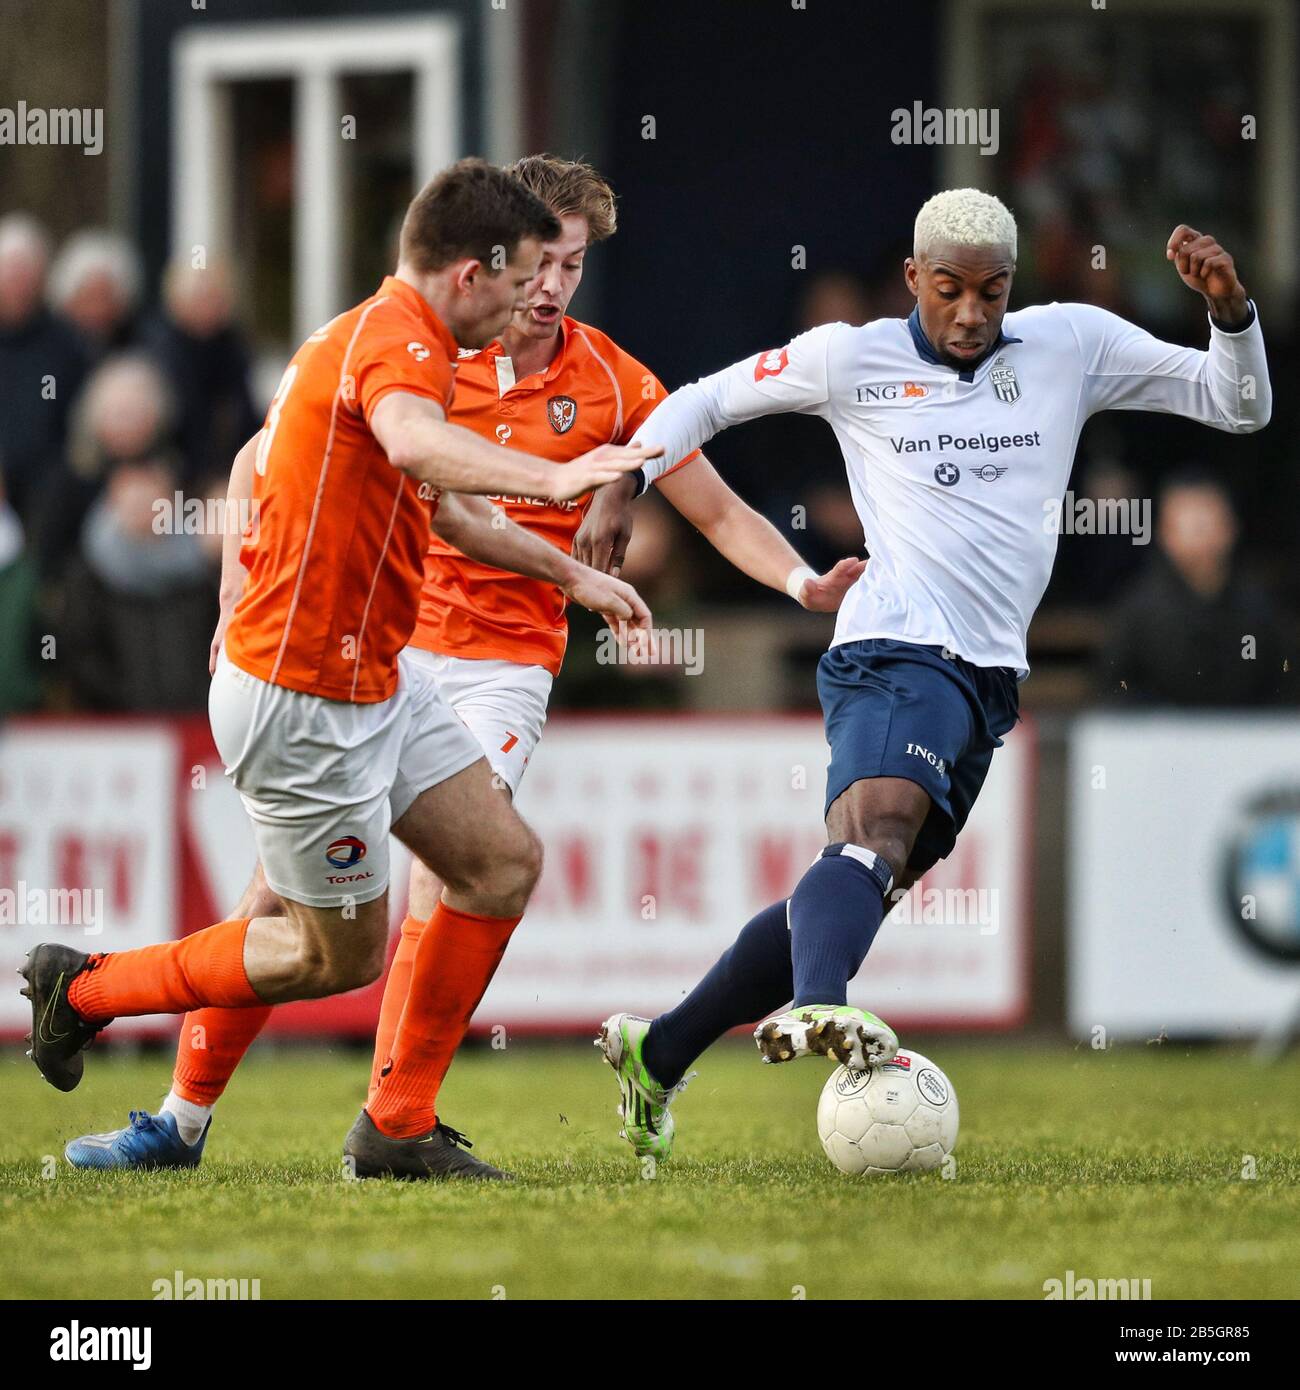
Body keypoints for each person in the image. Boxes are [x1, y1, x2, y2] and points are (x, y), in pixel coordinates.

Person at [63, 154, 862, 1173]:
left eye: (570, 265)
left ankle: (394, 1117)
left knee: (464, 872)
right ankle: (178, 1117)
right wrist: (235, 594)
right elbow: (261, 459)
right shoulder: (423, 346)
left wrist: (799, 586)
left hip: (500, 667)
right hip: (380, 651)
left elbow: (714, 507)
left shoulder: (611, 379)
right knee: (279, 901)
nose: (551, 286)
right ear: (492, 260)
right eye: (539, 262)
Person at [583, 189, 1272, 1160]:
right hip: (891, 644)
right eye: (947, 290)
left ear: (1010, 286)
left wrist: (1231, 317)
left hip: (984, 681)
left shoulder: (1067, 343)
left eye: (989, 293)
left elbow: (1236, 405)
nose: (968, 314)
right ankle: (823, 1008)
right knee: (878, 825)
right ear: (912, 278)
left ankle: (658, 1050)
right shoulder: (847, 355)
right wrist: (623, 479)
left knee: (853, 876)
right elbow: (700, 400)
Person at [1095, 471, 1292, 705]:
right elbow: (1113, 690)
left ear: (1230, 528)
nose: (1200, 535)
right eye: (1189, 525)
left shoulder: (1259, 609)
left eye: (1206, 522)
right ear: (1164, 533)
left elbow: (1284, 688)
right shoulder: (1137, 612)